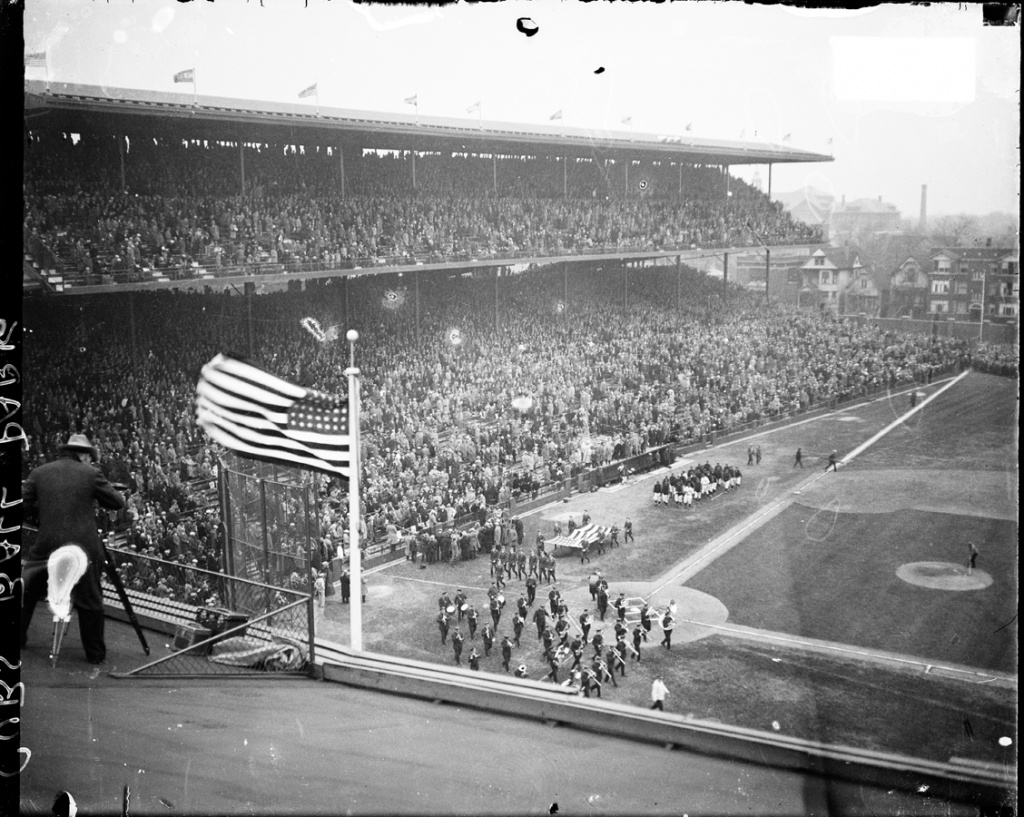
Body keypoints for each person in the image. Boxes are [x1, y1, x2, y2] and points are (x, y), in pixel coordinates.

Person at [21, 434, 127, 665]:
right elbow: (117, 502)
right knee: (90, 600)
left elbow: (22, 505)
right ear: (83, 454)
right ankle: (95, 655)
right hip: (83, 548)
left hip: (47, 545)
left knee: (26, 591)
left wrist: (44, 519)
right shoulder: (91, 474)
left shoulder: (39, 473)